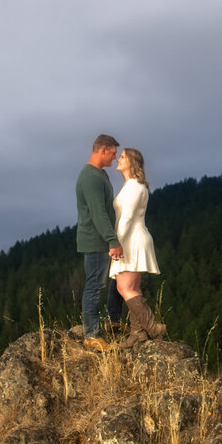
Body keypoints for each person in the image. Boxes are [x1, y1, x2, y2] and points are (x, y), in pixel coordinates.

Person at [109, 147, 166, 347]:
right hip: (130, 238)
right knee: (131, 288)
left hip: (131, 239)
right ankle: (137, 333)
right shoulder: (130, 185)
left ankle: (153, 328)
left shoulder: (134, 186)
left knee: (125, 287)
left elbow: (127, 218)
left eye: (122, 156)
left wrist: (115, 242)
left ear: (132, 162)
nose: (118, 158)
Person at [76, 134, 124, 349]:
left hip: (100, 240)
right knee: (94, 287)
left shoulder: (100, 175)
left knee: (100, 285)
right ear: (102, 150)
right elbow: (98, 213)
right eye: (113, 153)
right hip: (95, 241)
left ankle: (108, 325)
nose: (114, 158)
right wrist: (112, 240)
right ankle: (92, 336)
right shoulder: (91, 177)